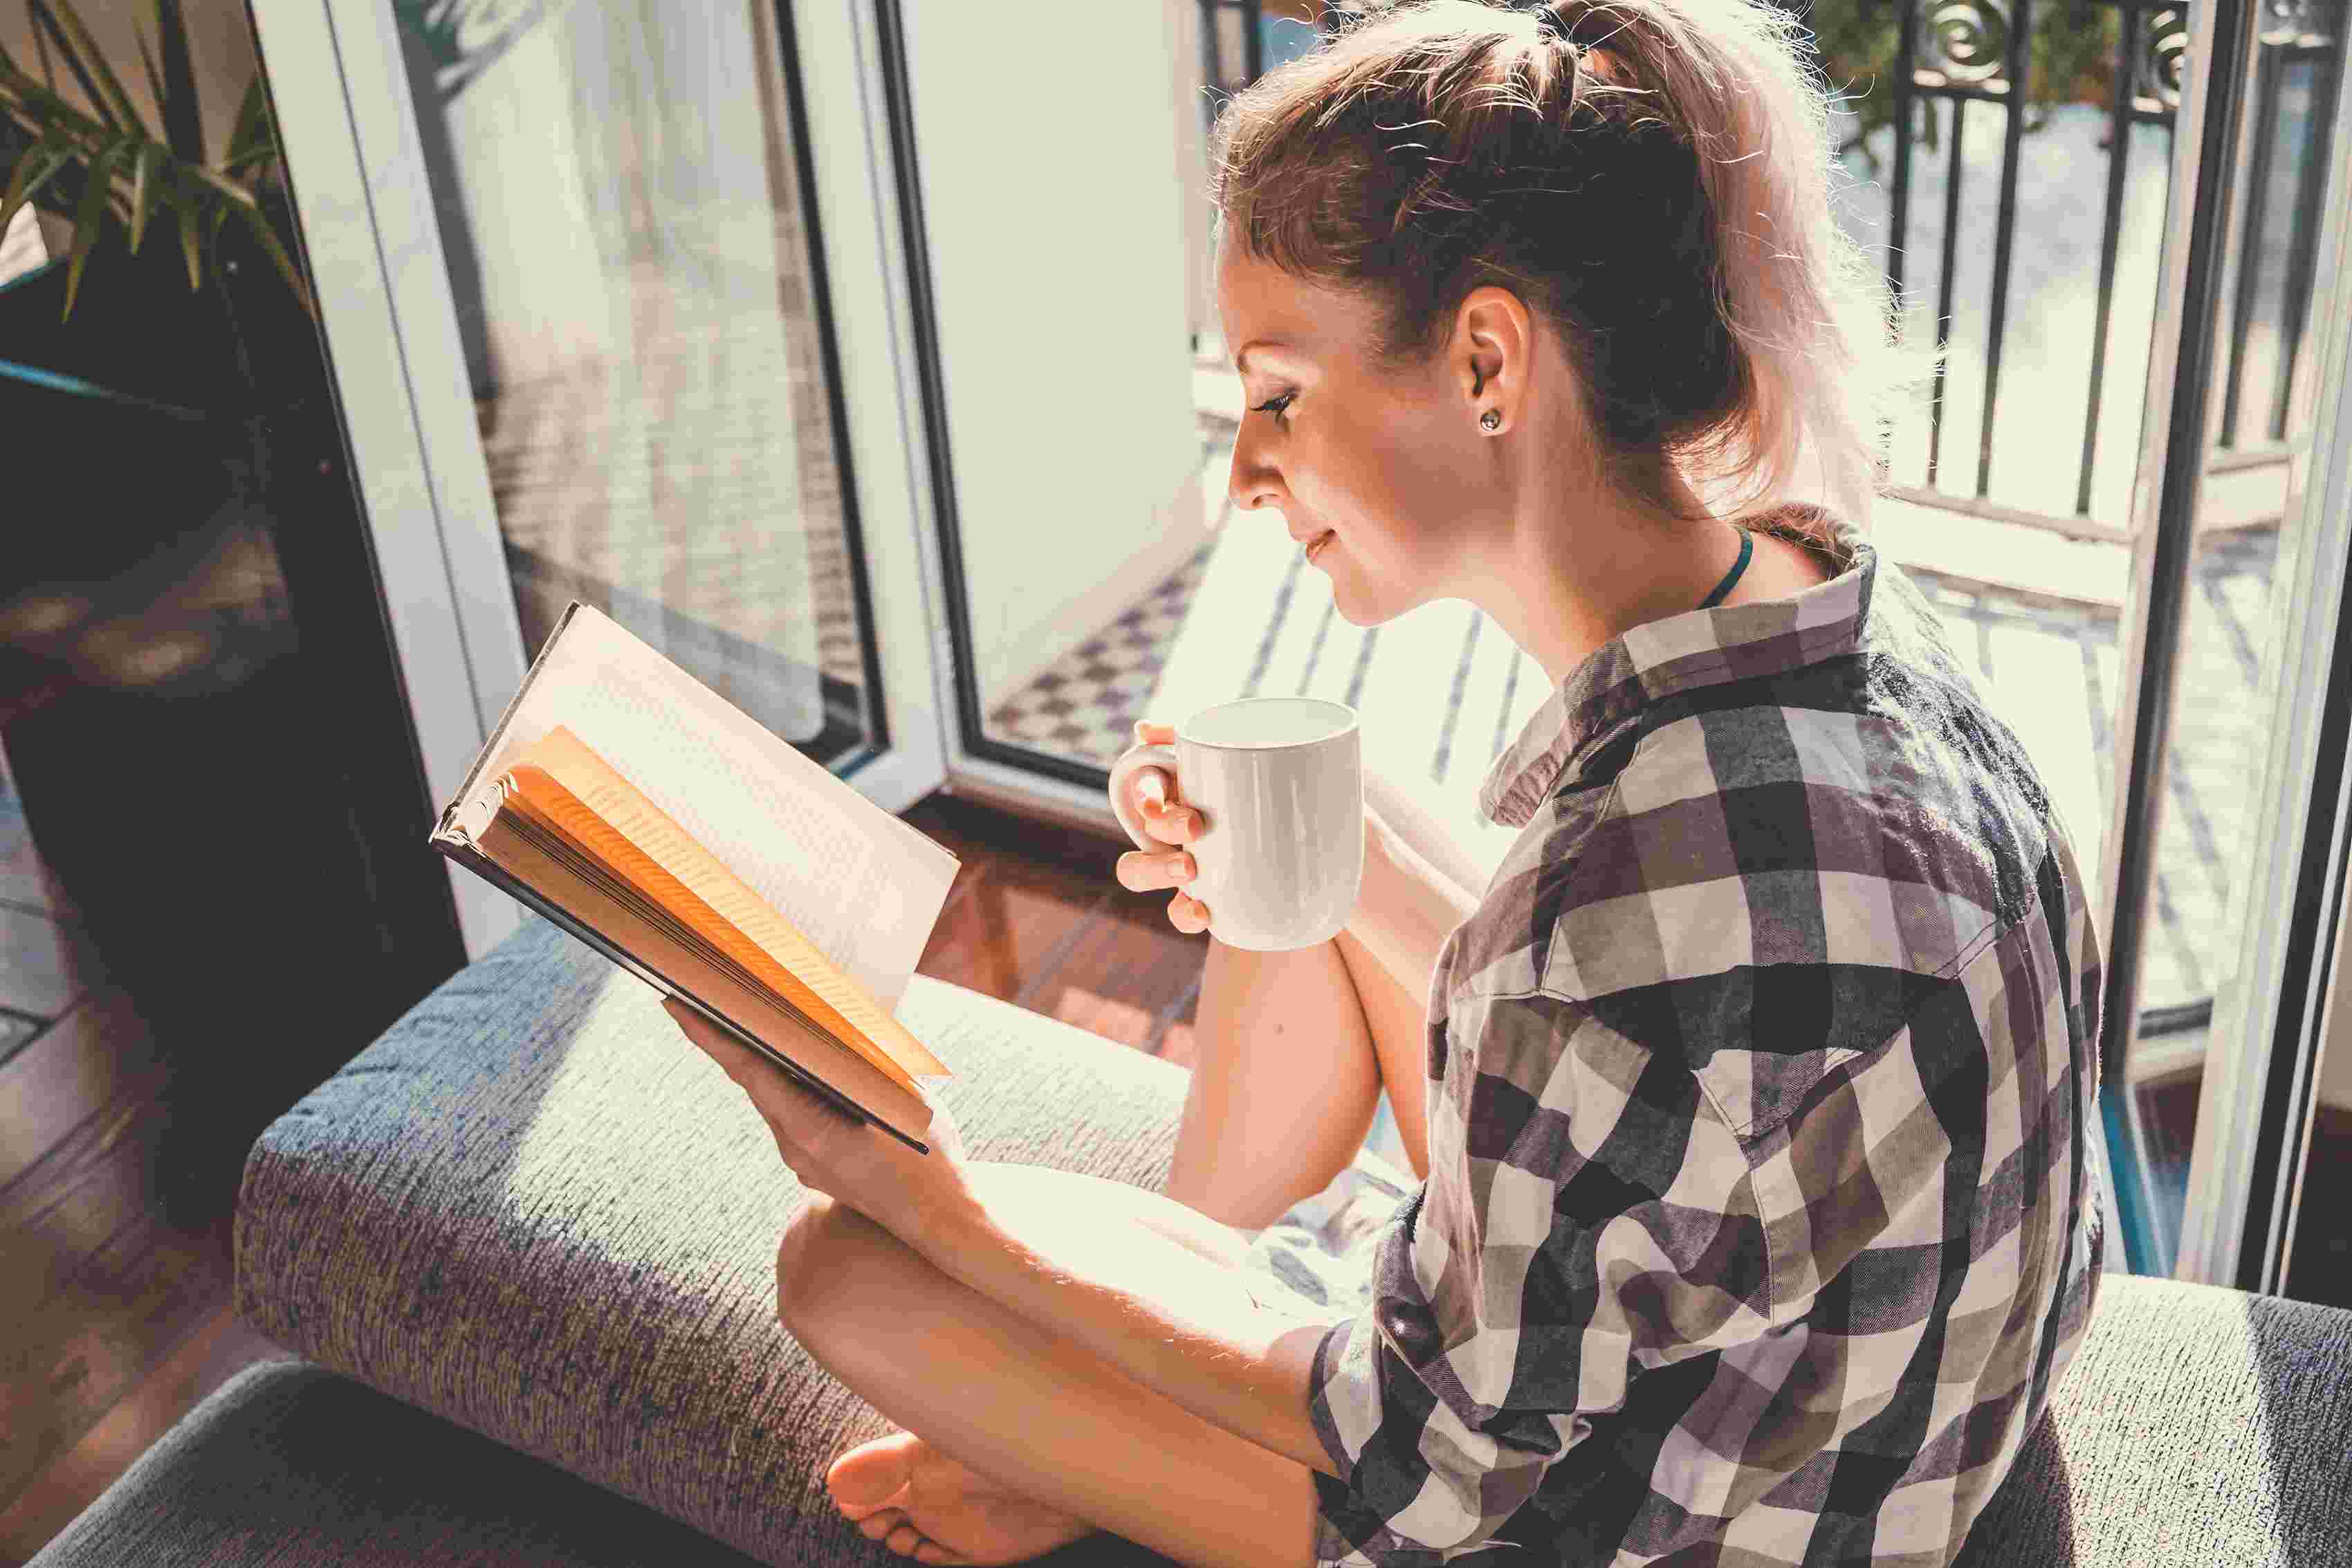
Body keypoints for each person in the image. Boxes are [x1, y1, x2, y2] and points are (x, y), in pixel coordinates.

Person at [663, 0, 2109, 1562]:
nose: (1245, 467)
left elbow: (1422, 1471)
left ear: (1488, 360)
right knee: (1314, 806)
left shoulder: (1611, 916)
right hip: (1832, 1381)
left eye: (1277, 391)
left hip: (1643, 1520)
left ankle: (1101, 1446)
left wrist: (941, 1214)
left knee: (844, 1270)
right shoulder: (1842, 611)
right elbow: (1647, 1045)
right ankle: (1132, 1382)